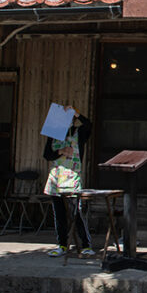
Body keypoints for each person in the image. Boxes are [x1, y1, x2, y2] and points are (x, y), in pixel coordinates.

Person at [43, 105, 95, 257]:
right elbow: (47, 155)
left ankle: (86, 245)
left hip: (72, 177)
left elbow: (89, 125)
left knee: (76, 212)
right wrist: (60, 151)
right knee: (59, 213)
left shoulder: (79, 132)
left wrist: (76, 113)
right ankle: (62, 245)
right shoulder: (53, 135)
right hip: (56, 178)